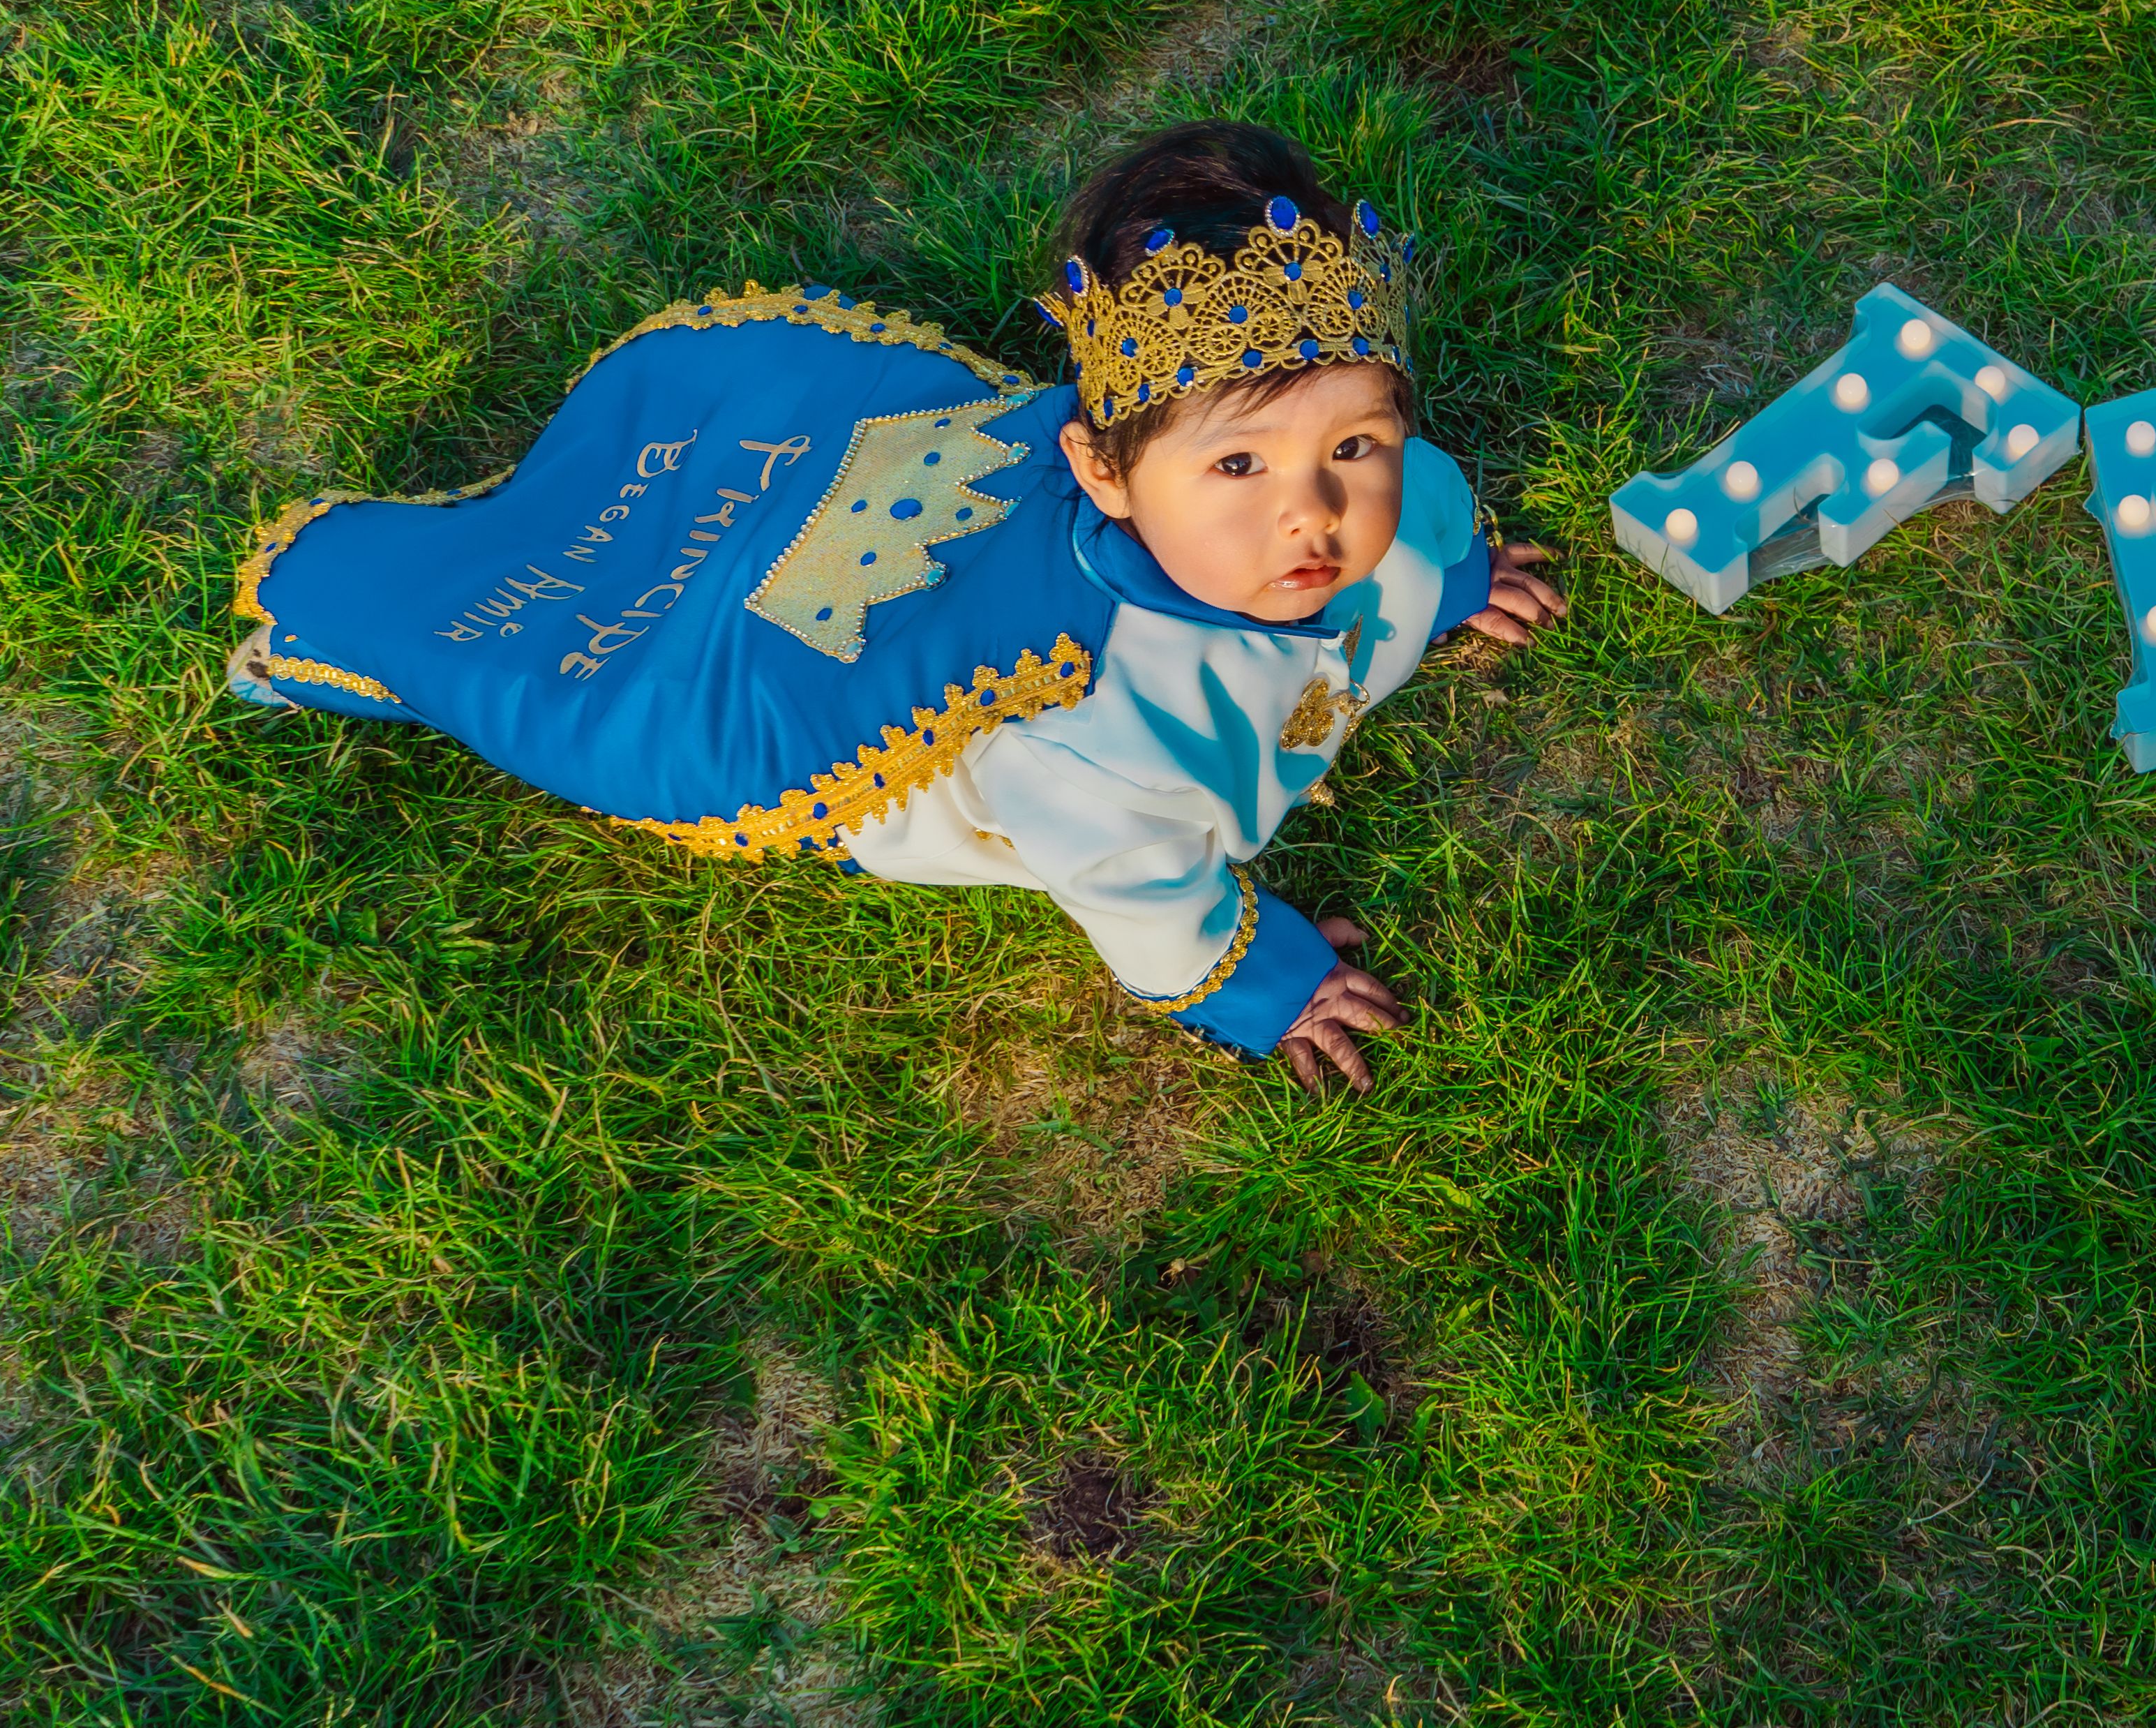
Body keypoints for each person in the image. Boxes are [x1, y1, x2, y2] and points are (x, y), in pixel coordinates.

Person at [224, 121, 1564, 1093]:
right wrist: (1266, 983)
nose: (1312, 515)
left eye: (1357, 448)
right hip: (909, 734)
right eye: (1235, 466)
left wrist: (1445, 581)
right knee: (667, 654)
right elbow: (1143, 890)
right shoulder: (1091, 735)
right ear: (1100, 470)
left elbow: (1400, 539)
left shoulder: (1398, 508)